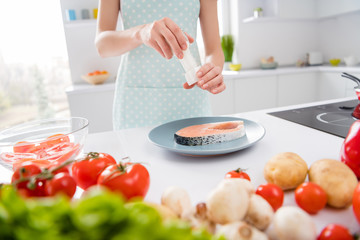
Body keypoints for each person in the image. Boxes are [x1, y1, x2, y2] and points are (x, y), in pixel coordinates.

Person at [95, 0, 225, 130]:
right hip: (135, 103)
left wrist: (211, 70)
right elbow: (102, 46)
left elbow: (214, 50)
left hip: (191, 100)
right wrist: (140, 32)